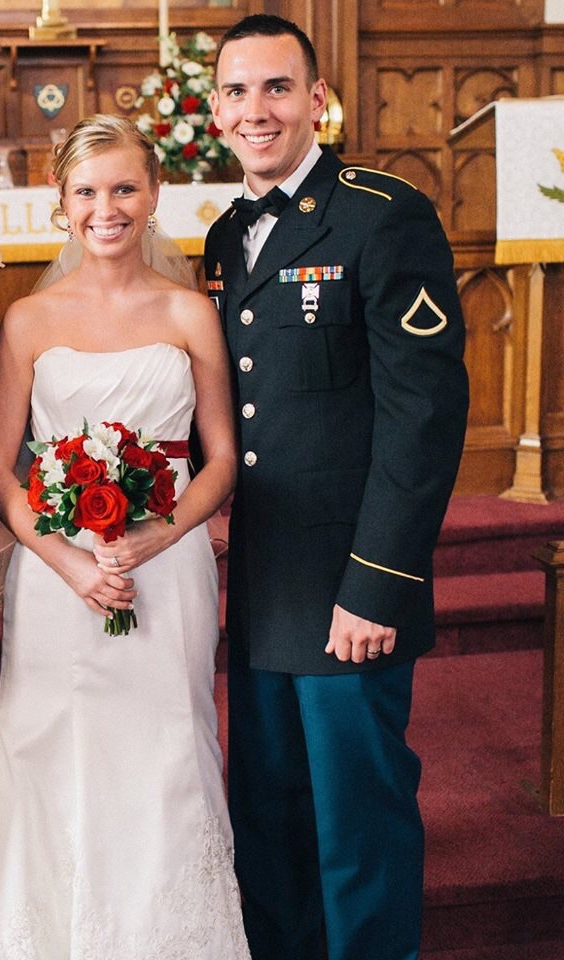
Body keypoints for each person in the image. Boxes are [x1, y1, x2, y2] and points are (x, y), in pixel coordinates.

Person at [0, 114, 250, 958]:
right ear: (61, 201)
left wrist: (157, 538)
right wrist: (71, 563)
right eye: (86, 191)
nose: (105, 209)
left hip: (168, 567)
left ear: (154, 195)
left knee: (165, 741)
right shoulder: (29, 319)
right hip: (56, 572)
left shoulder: (191, 313)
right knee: (47, 738)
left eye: (123, 189)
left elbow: (222, 460)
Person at [205, 14, 469, 960]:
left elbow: (423, 414)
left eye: (278, 87)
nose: (257, 109)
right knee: (269, 821)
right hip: (263, 586)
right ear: (215, 110)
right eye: (237, 91)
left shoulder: (381, 214)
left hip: (348, 586)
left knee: (359, 826)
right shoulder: (226, 235)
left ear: (318, 100)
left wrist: (378, 582)